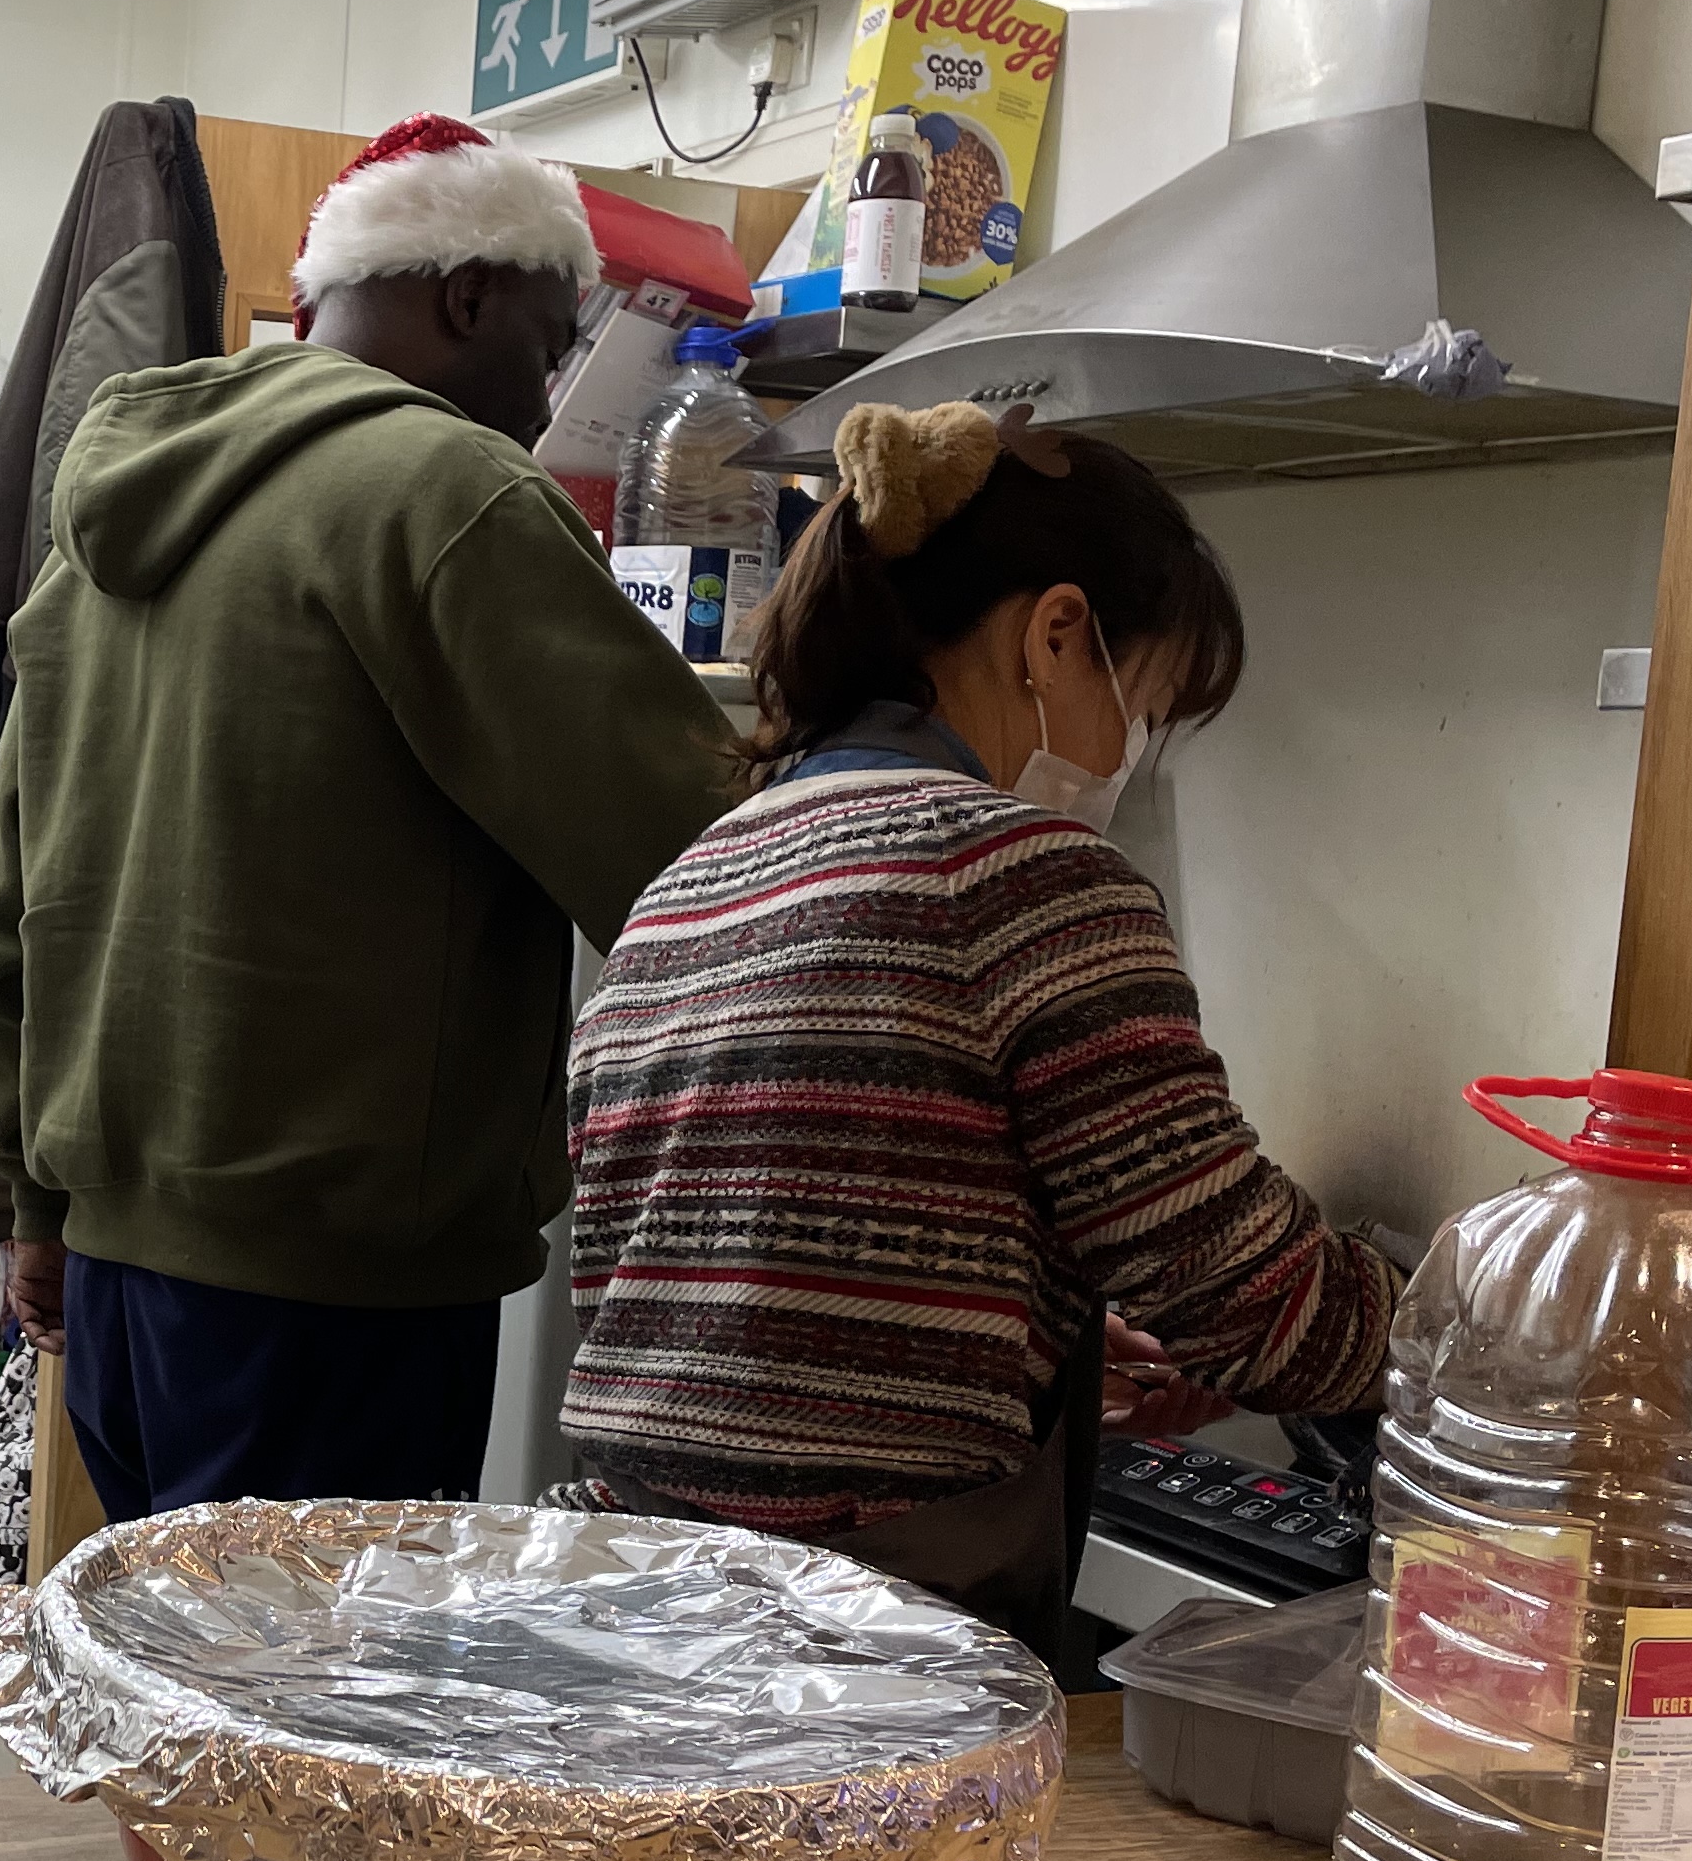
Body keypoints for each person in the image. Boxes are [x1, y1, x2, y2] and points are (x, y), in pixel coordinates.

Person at [0, 113, 746, 1520]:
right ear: (468, 295)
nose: (551, 396)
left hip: (119, 1280)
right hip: (337, 1296)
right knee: (310, 1719)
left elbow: (1, 911)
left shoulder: (101, 533)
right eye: (557, 347)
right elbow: (702, 869)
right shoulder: (448, 495)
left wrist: (37, 1207)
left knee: (180, 1715)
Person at [560, 398, 1398, 1664]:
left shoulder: (703, 874)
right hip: (858, 1642)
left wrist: (1014, 1329)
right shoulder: (1026, 875)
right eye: (1148, 705)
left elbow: (742, 1288)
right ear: (1058, 634)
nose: (1128, 752)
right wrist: (1504, 1329)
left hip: (637, 1602)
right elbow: (1268, 1310)